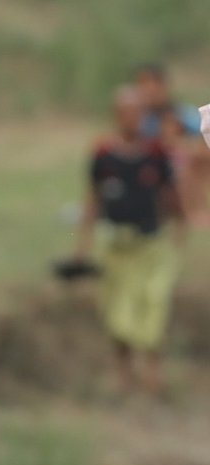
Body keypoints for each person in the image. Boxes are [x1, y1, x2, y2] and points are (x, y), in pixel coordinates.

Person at [72, 86, 185, 396]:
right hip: (117, 245)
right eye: (126, 112)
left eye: (138, 113)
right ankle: (124, 375)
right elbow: (92, 199)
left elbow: (172, 198)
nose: (132, 119)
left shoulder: (156, 153)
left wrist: (179, 232)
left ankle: (153, 375)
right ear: (115, 115)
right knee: (117, 312)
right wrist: (82, 247)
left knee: (153, 309)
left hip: (151, 243)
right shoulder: (103, 154)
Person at [135, 62, 210, 226]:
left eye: (149, 84)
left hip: (182, 166)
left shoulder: (183, 114)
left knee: (186, 166)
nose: (145, 91)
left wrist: (180, 147)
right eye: (140, 85)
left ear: (162, 86)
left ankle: (195, 211)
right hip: (152, 167)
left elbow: (203, 145)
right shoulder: (138, 118)